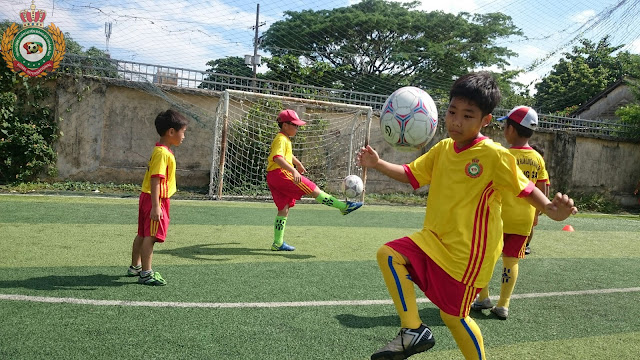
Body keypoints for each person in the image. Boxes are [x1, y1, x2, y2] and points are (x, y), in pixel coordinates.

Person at [358, 72, 577, 360]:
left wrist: (551, 209)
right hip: (433, 239)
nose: (456, 122)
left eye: (468, 115)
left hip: (467, 255)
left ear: (485, 120)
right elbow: (411, 175)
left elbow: (526, 189)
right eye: (452, 112)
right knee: (389, 255)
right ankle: (413, 330)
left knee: (453, 316)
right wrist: (378, 163)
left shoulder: (495, 155)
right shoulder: (444, 148)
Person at [470, 106, 550, 320]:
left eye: (505, 125)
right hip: (524, 220)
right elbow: (542, 189)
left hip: (498, 217)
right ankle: (503, 305)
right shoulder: (538, 159)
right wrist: (537, 213)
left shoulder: (503, 155)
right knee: (511, 261)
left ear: (512, 130)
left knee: (486, 257)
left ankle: (483, 297)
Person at [266, 109, 363, 251]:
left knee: (283, 209)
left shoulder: (284, 139)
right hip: (281, 174)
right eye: (295, 125)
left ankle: (277, 243)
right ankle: (344, 208)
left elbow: (287, 154)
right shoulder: (281, 139)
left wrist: (297, 163)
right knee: (313, 189)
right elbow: (278, 158)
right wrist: (293, 170)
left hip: (273, 176)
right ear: (285, 125)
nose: (297, 128)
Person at [126, 109, 189, 286]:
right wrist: (156, 206)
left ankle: (135, 266)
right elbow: (156, 179)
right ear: (171, 132)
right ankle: (146, 273)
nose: (184, 136)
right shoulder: (163, 153)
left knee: (143, 233)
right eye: (182, 132)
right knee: (151, 236)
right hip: (156, 199)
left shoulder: (161, 150)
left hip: (147, 197)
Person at [524, 143, 550, 255]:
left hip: (532, 202)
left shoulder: (541, 170)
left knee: (530, 224)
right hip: (519, 201)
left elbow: (545, 188)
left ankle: (526, 245)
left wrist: (542, 206)